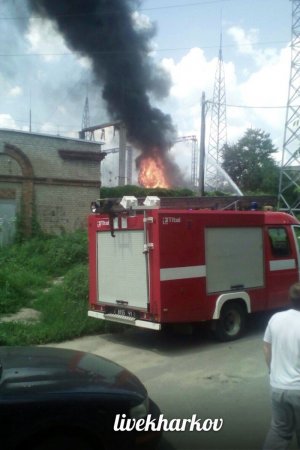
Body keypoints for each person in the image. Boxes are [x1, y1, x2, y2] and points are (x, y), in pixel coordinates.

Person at [263, 282, 300, 450]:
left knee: (279, 432)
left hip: (277, 387)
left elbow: (266, 347)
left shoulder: (275, 318)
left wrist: (273, 372)